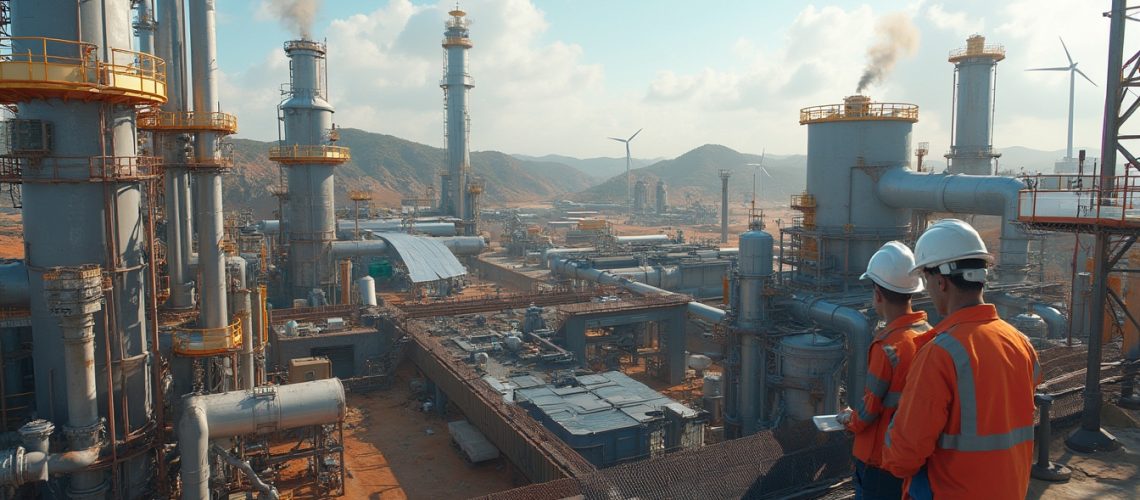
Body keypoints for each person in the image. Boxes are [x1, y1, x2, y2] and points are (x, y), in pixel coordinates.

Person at [882, 219, 1040, 499]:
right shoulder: (1020, 343)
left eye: (926, 279)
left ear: (940, 282)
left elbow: (904, 456)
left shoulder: (940, 354)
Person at [836, 241, 930, 500]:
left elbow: (869, 411)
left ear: (877, 293)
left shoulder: (888, 347)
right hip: (913, 454)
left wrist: (848, 419)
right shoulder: (930, 336)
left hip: (879, 459)